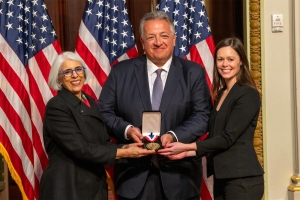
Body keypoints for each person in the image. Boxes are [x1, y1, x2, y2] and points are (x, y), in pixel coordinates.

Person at [98, 11, 212, 200]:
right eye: (151, 37)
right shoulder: (121, 72)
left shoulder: (193, 73)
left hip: (180, 178)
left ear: (174, 39)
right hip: (132, 178)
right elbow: (104, 112)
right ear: (142, 42)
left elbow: (202, 116)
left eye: (164, 36)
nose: (158, 42)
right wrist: (126, 130)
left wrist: (173, 136)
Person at [158, 37, 264, 199]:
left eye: (230, 59)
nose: (224, 64)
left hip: (243, 179)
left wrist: (186, 147)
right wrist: (187, 154)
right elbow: (215, 137)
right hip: (223, 177)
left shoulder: (247, 94)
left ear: (241, 61)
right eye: (220, 59)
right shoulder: (222, 94)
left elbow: (227, 138)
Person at [39, 51, 155, 200]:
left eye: (78, 69)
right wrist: (124, 152)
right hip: (68, 186)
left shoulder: (90, 101)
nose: (75, 75)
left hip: (93, 184)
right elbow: (81, 149)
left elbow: (102, 142)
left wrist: (126, 147)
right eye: (67, 72)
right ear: (59, 79)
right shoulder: (57, 106)